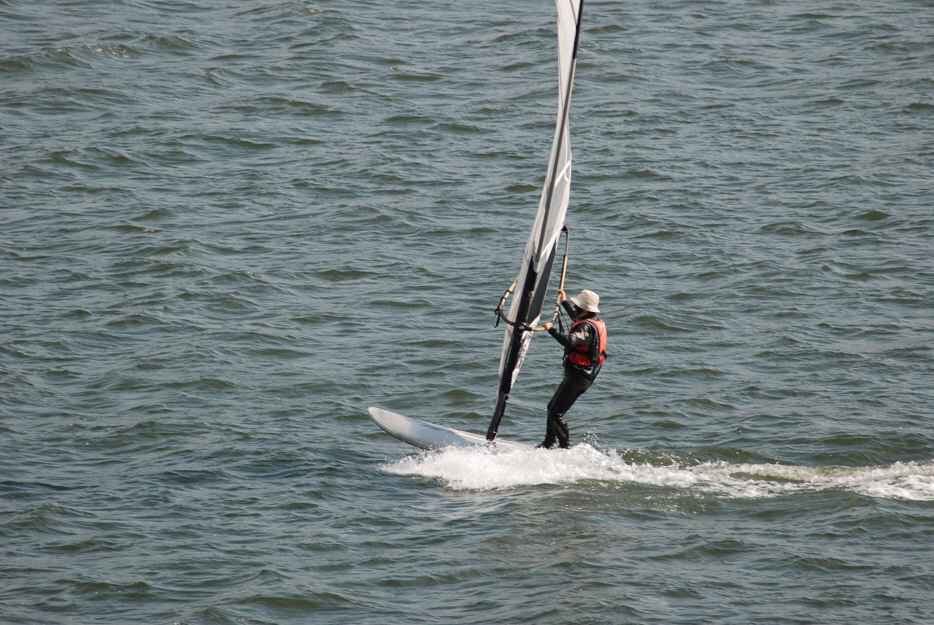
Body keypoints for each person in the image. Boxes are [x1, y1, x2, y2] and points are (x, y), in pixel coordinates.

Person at [539, 289, 607, 449]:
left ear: (584, 311)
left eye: (577, 307)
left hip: (580, 377)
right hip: (577, 373)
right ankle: (549, 444)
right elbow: (576, 318)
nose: (575, 309)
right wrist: (564, 302)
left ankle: (564, 449)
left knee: (556, 413)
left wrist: (551, 330)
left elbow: (570, 341)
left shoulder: (585, 327)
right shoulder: (589, 320)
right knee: (551, 408)